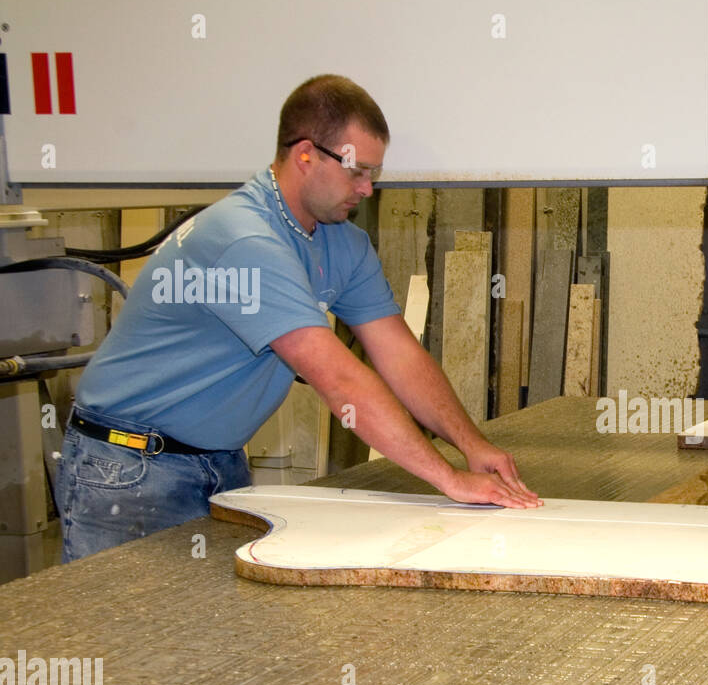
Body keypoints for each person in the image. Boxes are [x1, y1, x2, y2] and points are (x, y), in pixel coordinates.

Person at [57, 75, 539, 562]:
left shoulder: (342, 243)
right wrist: (449, 480)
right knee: (121, 634)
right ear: (306, 154)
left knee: (213, 637)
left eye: (374, 173)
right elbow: (339, 379)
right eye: (357, 171)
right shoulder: (245, 240)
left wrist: (470, 445)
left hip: (219, 464)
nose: (368, 188)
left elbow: (399, 353)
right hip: (127, 469)